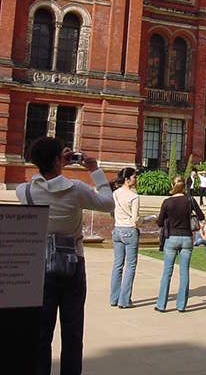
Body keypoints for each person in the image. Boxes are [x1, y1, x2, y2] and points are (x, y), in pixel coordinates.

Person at [16, 137, 114, 375]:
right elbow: (108, 203)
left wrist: (57, 163)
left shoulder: (24, 191)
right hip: (72, 263)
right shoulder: (76, 189)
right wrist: (94, 169)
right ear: (57, 160)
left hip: (40, 265)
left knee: (41, 331)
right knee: (72, 331)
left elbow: (46, 183)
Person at [155, 175, 204, 312]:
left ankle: (161, 304)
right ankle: (181, 305)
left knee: (167, 272)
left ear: (172, 185)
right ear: (184, 187)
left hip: (172, 237)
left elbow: (160, 222)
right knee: (184, 273)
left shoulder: (167, 202)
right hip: (187, 237)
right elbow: (201, 216)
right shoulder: (190, 199)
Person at [110, 167, 148, 309]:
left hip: (117, 229)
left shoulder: (115, 193)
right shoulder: (134, 196)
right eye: (134, 177)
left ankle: (114, 298)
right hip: (129, 230)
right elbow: (135, 220)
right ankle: (124, 300)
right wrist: (147, 220)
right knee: (130, 266)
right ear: (127, 180)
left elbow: (112, 212)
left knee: (117, 265)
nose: (135, 179)